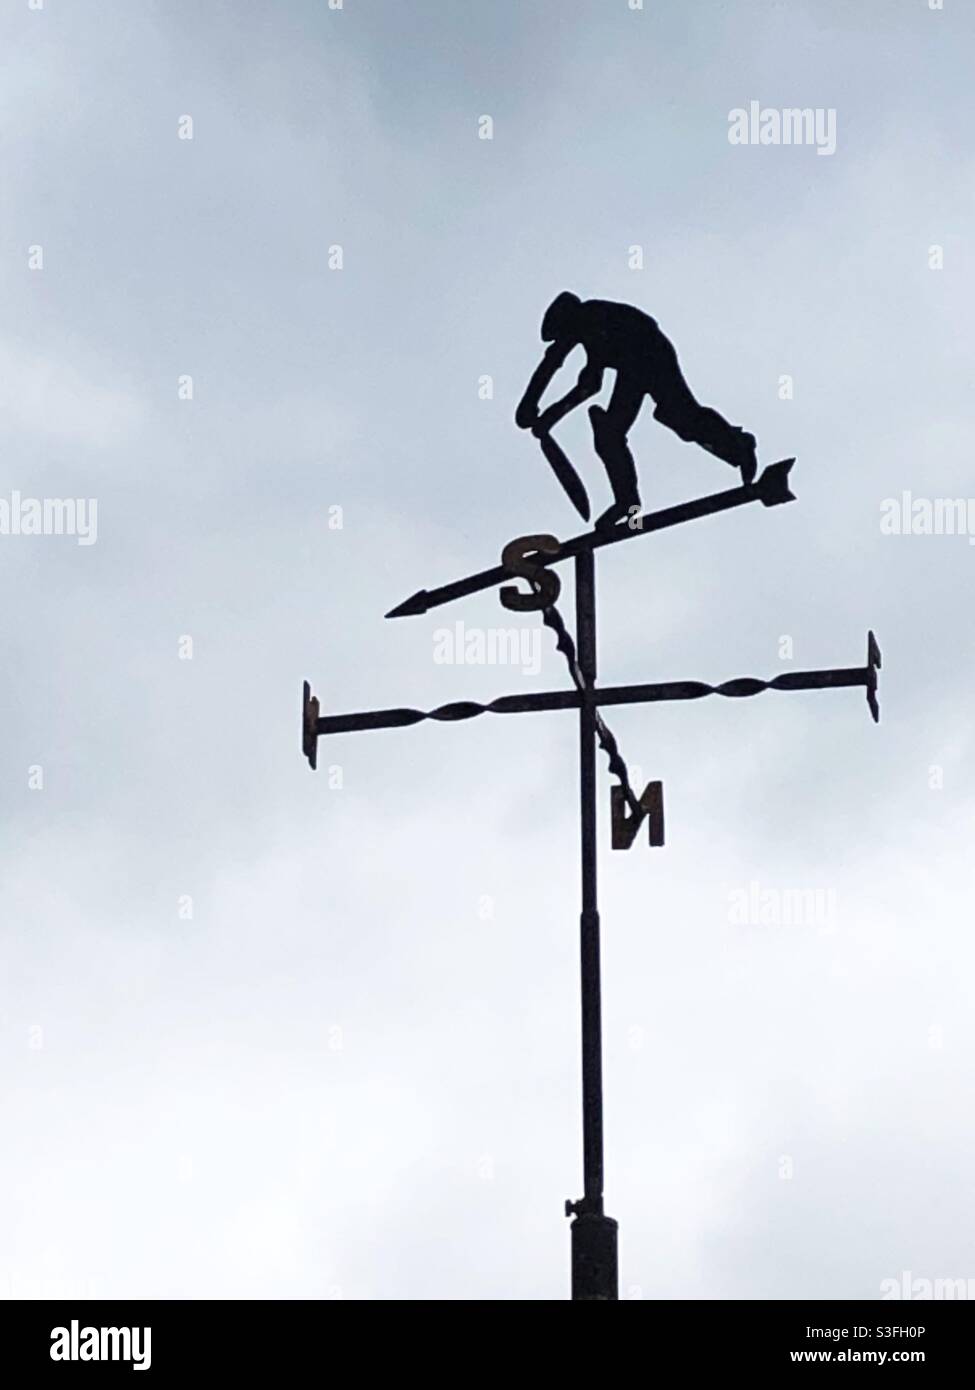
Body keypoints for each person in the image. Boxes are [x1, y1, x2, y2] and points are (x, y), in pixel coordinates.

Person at [515, 291, 758, 530]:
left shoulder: (592, 317)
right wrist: (540, 411)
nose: (564, 344)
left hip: (649, 355)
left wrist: (542, 411)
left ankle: (738, 445)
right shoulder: (590, 331)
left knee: (679, 418)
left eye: (563, 337)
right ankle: (627, 503)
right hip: (633, 365)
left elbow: (569, 374)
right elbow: (579, 378)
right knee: (612, 435)